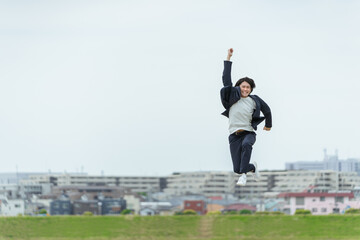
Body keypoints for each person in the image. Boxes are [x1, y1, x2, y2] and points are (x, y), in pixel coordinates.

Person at [220, 48, 272, 186]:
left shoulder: (254, 100)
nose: (245, 89)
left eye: (248, 87)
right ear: (238, 87)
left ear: (251, 89)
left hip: (248, 132)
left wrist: (268, 125)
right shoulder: (232, 97)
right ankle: (251, 168)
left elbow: (267, 110)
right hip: (234, 135)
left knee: (247, 144)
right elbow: (226, 80)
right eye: (243, 86)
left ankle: (243, 176)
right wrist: (228, 58)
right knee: (237, 168)